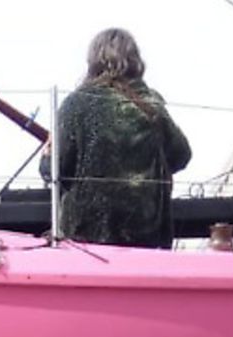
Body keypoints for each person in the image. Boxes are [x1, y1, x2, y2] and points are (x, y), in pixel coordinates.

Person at [45, 28, 191, 248]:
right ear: (135, 60)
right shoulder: (150, 103)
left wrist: (47, 156)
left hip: (88, 239)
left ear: (93, 61)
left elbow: (59, 171)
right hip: (147, 235)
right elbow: (181, 155)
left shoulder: (76, 104)